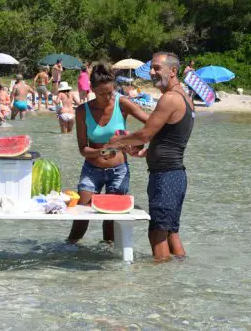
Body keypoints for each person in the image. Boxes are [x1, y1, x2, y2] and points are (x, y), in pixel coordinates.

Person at [105, 52, 195, 262]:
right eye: (151, 68)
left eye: (157, 68)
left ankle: (159, 285)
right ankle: (179, 273)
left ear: (173, 71)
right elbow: (170, 141)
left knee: (157, 234)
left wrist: (115, 143)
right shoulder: (185, 98)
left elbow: (146, 134)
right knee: (171, 231)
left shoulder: (170, 98)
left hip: (166, 177)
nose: (152, 73)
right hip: (175, 175)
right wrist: (145, 152)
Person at [67, 63, 149, 244]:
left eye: (110, 93)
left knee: (111, 217)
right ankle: (69, 249)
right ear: (92, 90)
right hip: (91, 169)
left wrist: (136, 142)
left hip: (118, 170)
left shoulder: (122, 103)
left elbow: (151, 124)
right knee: (82, 214)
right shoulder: (82, 111)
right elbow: (83, 149)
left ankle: (109, 260)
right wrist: (100, 151)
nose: (107, 97)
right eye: (101, 94)